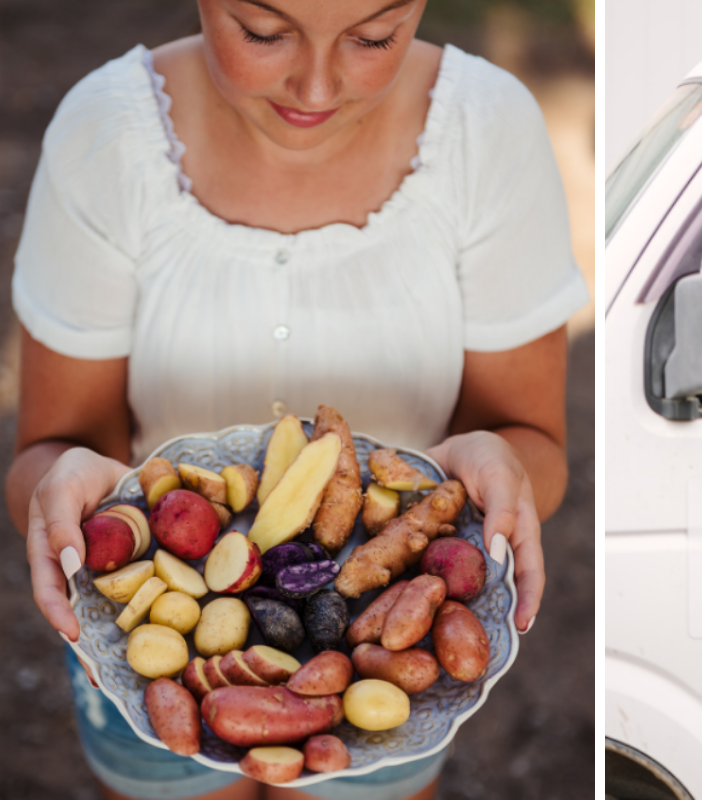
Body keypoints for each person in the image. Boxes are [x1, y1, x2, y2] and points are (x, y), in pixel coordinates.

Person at [4, 0, 590, 798]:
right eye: (264, 31)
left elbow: (536, 449)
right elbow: (49, 447)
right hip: (142, 642)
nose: (316, 85)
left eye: (375, 35)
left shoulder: (489, 133)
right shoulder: (105, 135)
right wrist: (59, 486)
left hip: (380, 657)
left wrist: (503, 465)